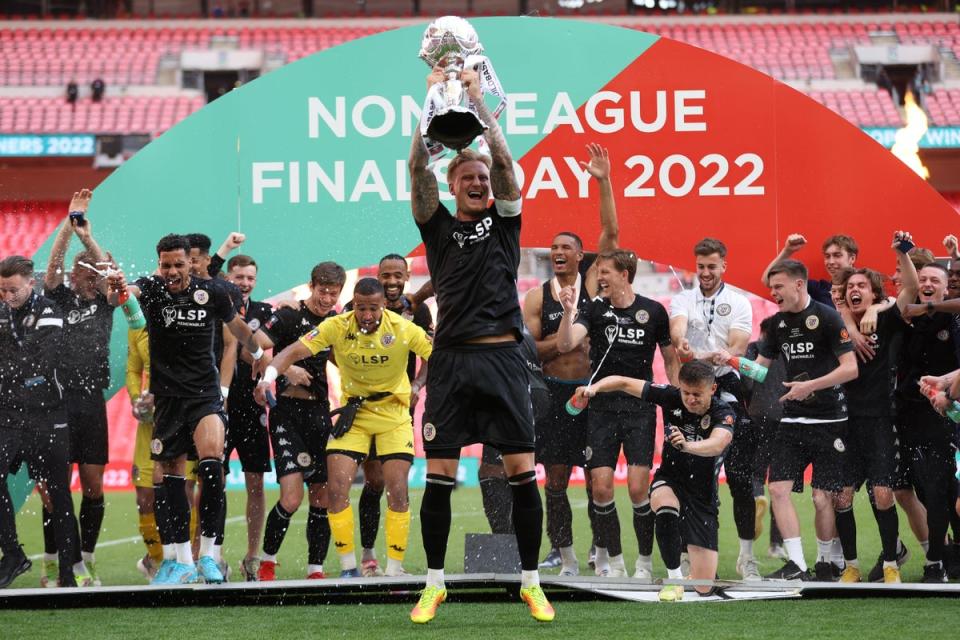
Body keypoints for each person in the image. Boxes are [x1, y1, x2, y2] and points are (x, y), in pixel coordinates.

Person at [406, 63, 553, 623]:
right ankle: (435, 583)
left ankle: (531, 582)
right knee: (440, 478)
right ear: (453, 184)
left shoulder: (505, 222)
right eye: (468, 176)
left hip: (503, 358)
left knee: (521, 473)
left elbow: (509, 165)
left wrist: (478, 104)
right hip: (450, 362)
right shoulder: (436, 225)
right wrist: (429, 106)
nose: (478, 181)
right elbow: (419, 165)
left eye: (482, 178)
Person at [106, 234, 264, 585]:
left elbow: (236, 326)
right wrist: (116, 286)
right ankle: (179, 561)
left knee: (211, 467)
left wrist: (256, 353)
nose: (173, 271)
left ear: (191, 262)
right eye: (167, 265)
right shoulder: (151, 287)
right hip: (167, 400)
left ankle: (208, 555)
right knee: (171, 480)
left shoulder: (213, 293)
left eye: (179, 264)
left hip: (205, 395)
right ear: (159, 264)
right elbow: (121, 296)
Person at [256, 277, 431, 578]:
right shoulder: (337, 325)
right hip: (355, 414)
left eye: (373, 309)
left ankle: (394, 568)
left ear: (381, 306)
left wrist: (419, 383)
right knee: (335, 489)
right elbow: (291, 352)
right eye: (361, 308)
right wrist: (267, 377)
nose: (367, 315)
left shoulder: (403, 328)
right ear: (354, 306)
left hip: (393, 414)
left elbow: (439, 355)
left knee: (397, 489)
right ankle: (349, 568)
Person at [521, 143, 618, 577]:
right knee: (555, 482)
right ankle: (566, 557)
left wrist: (603, 181)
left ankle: (602, 553)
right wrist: (561, 344)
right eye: (552, 248)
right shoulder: (536, 297)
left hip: (593, 397)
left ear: (581, 257)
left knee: (599, 481)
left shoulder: (596, 284)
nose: (557, 252)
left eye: (566, 248)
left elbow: (611, 237)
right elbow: (529, 349)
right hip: (556, 398)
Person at [732, 259, 858, 581]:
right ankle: (798, 565)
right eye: (771, 288)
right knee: (777, 489)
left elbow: (850, 369)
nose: (773, 293)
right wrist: (730, 360)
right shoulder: (776, 325)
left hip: (830, 420)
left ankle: (826, 562)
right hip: (792, 421)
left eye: (778, 287)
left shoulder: (828, 317)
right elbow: (760, 371)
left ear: (798, 284)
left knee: (821, 498)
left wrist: (810, 386)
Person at [557, 249, 679, 579]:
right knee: (601, 489)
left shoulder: (653, 311)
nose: (600, 278)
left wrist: (678, 395)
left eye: (606, 272)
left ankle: (643, 563)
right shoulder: (593, 309)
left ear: (625, 274)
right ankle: (615, 563)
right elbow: (567, 344)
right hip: (601, 410)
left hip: (640, 409)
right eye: (599, 273)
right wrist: (568, 312)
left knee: (639, 490)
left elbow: (669, 359)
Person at [575, 360, 736, 601]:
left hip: (703, 494)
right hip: (670, 479)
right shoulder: (670, 396)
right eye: (686, 393)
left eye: (697, 394)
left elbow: (718, 444)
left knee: (704, 587)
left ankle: (696, 578)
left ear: (712, 390)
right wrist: (594, 388)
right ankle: (675, 579)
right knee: (664, 504)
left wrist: (687, 445)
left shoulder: (723, 412)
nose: (690, 399)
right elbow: (623, 381)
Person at [831, 232, 918, 584]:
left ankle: (890, 565)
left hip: (880, 420)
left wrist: (901, 252)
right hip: (843, 423)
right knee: (841, 496)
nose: (855, 289)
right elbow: (833, 309)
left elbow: (909, 289)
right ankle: (850, 566)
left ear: (874, 293)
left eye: (862, 286)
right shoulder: (836, 324)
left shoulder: (885, 318)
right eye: (850, 285)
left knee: (883, 495)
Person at [669, 237, 757, 580]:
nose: (705, 273)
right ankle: (689, 556)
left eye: (712, 266)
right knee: (693, 474)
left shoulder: (738, 301)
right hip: (691, 388)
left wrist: (705, 353)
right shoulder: (682, 298)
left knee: (739, 478)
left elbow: (737, 347)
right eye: (701, 266)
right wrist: (684, 344)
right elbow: (679, 337)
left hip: (727, 387)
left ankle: (747, 558)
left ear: (724, 266)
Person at [38, 189, 113, 587]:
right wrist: (68, 230)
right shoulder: (60, 298)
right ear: (74, 275)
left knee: (94, 485)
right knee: (54, 489)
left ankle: (85, 559)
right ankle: (53, 560)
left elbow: (106, 266)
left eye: (94, 274)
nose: (90, 277)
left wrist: (87, 236)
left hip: (92, 403)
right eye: (83, 272)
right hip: (58, 401)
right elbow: (50, 269)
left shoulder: (104, 302)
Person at [252, 262, 344, 581]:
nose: (327, 298)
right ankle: (266, 561)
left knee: (322, 494)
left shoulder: (336, 322)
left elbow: (342, 358)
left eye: (333, 293)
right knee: (291, 498)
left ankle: (315, 570)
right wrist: (284, 369)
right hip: (287, 413)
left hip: (320, 414)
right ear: (311, 286)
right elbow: (254, 345)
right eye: (322, 291)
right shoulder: (290, 314)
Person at [348, 254, 433, 577]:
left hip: (399, 408)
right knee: (374, 480)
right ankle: (369, 555)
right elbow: (335, 349)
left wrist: (418, 384)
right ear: (378, 277)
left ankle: (395, 562)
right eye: (386, 275)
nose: (392, 281)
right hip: (363, 408)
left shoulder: (418, 311)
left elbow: (430, 353)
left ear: (408, 276)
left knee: (396, 484)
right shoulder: (357, 309)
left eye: (398, 275)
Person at [0, 256, 78, 589]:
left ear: (31, 283)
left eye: (13, 289)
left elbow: (40, 362)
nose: (7, 296)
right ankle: (14, 555)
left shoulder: (49, 312)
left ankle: (68, 572)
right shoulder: (1, 311)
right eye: (2, 290)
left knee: (58, 493)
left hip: (48, 416)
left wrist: (10, 371)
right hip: (8, 415)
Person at [894, 262, 960, 582]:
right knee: (922, 490)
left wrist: (943, 391)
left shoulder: (954, 320)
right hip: (909, 416)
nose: (928, 284)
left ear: (946, 289)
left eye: (935, 280)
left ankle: (937, 562)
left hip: (944, 414)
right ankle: (947, 556)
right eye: (923, 280)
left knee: (942, 490)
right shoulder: (906, 322)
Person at [223, 254, 274, 581]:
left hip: (253, 409)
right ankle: (209, 555)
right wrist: (254, 346)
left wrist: (256, 348)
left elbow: (269, 348)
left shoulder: (264, 312)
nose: (244, 283)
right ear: (228, 277)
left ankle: (252, 556)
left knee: (256, 482)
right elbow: (249, 347)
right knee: (212, 482)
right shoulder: (215, 308)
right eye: (239, 277)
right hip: (219, 406)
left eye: (250, 278)